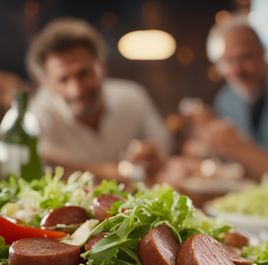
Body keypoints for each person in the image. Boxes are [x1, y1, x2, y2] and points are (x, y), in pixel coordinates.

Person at [26, 18, 170, 182]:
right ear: (45, 84)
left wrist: (152, 156)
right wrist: (113, 172)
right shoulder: (34, 118)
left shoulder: (133, 97)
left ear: (101, 66)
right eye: (63, 79)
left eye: (83, 73)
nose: (77, 90)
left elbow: (163, 150)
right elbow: (38, 164)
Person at [207, 15, 268, 155]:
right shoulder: (226, 100)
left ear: (264, 55)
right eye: (227, 61)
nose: (237, 71)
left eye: (245, 57)